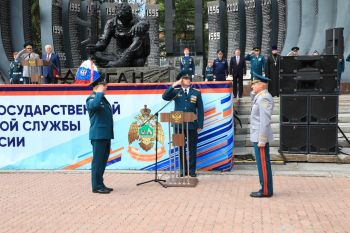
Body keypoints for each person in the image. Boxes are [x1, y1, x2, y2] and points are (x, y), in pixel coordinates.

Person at [162, 72, 204, 177]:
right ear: (181, 80)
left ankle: (192, 170)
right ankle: (182, 170)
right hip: (178, 125)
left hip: (192, 125)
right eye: (185, 78)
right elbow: (164, 96)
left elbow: (201, 110)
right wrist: (174, 85)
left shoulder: (196, 93)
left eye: (188, 78)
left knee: (192, 148)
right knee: (180, 147)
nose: (188, 80)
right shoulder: (176, 91)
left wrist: (200, 124)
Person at [94, 2, 150, 67]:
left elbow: (145, 22)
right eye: (121, 18)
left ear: (130, 14)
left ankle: (121, 62)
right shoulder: (111, 23)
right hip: (119, 56)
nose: (124, 21)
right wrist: (95, 47)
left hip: (135, 56)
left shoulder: (137, 19)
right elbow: (103, 42)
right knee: (96, 54)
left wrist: (140, 25)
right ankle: (120, 62)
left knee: (141, 33)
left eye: (126, 18)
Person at [86, 73, 114, 194]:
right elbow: (95, 106)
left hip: (105, 134)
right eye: (104, 85)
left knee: (103, 161)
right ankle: (96, 186)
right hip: (98, 135)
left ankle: (100, 183)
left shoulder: (101, 98)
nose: (106, 87)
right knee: (97, 161)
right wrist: (98, 93)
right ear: (98, 86)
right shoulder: (92, 98)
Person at [249, 72, 274, 198]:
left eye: (254, 84)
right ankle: (265, 187)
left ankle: (265, 190)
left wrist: (262, 139)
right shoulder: (260, 96)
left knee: (263, 163)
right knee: (261, 163)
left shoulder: (264, 97)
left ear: (261, 85)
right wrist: (254, 93)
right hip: (257, 134)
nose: (252, 86)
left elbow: (265, 120)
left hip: (260, 136)